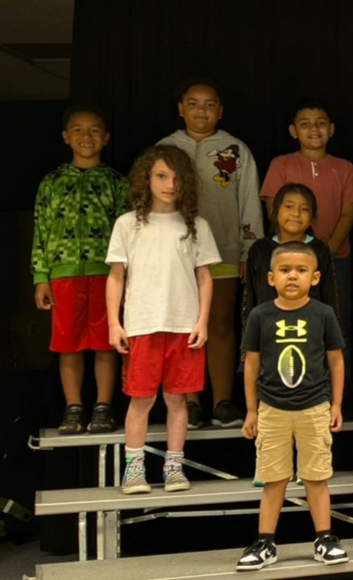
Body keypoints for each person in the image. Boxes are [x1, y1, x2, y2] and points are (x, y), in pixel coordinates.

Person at [106, 145, 219, 494]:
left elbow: (205, 277)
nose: (170, 184)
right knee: (140, 399)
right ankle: (134, 469)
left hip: (183, 327)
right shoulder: (128, 223)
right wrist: (114, 322)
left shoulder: (195, 225)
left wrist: (201, 321)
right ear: (146, 179)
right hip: (142, 325)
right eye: (161, 176)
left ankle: (173, 466)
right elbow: (115, 277)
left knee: (177, 400)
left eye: (176, 178)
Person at [157, 77, 262, 429]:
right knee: (186, 326)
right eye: (194, 103)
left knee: (219, 323)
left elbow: (249, 202)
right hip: (176, 254)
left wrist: (250, 248)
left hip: (224, 250)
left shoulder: (235, 149)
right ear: (180, 108)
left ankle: (222, 401)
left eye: (209, 104)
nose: (201, 111)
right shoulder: (166, 149)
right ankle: (190, 401)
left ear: (220, 110)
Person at [236, 242, 347, 570]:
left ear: (315, 278)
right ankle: (265, 542)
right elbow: (252, 365)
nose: (292, 277)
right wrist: (252, 410)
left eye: (301, 271)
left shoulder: (323, 314)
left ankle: (324, 538)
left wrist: (337, 403)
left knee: (316, 477)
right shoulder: (260, 315)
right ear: (271, 278)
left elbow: (336, 361)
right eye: (285, 271)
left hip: (314, 408)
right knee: (274, 479)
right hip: (272, 409)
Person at [33, 103, 128, 434]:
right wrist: (40, 277)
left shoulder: (117, 182)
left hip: (107, 274)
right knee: (67, 344)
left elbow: (128, 231)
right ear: (65, 137)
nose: (86, 137)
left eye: (94, 131)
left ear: (106, 138)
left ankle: (103, 406)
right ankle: (73, 407)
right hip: (64, 274)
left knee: (105, 341)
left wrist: (125, 275)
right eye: (78, 130)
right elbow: (41, 230)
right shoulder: (52, 182)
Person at [258, 99, 353, 348]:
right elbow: (274, 209)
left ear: (332, 129)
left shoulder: (345, 168)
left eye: (321, 124)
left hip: (336, 258)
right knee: (291, 324)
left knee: (337, 327)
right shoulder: (281, 165)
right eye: (305, 124)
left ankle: (338, 387)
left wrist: (326, 249)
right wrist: (303, 252)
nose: (314, 129)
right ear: (294, 131)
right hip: (289, 259)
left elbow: (348, 213)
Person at [243, 184, 338, 328]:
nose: (296, 214)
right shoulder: (260, 250)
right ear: (274, 212)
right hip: (268, 331)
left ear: (312, 218)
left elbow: (328, 296)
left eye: (304, 209)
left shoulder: (319, 250)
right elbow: (250, 297)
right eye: (289, 207)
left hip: (310, 331)